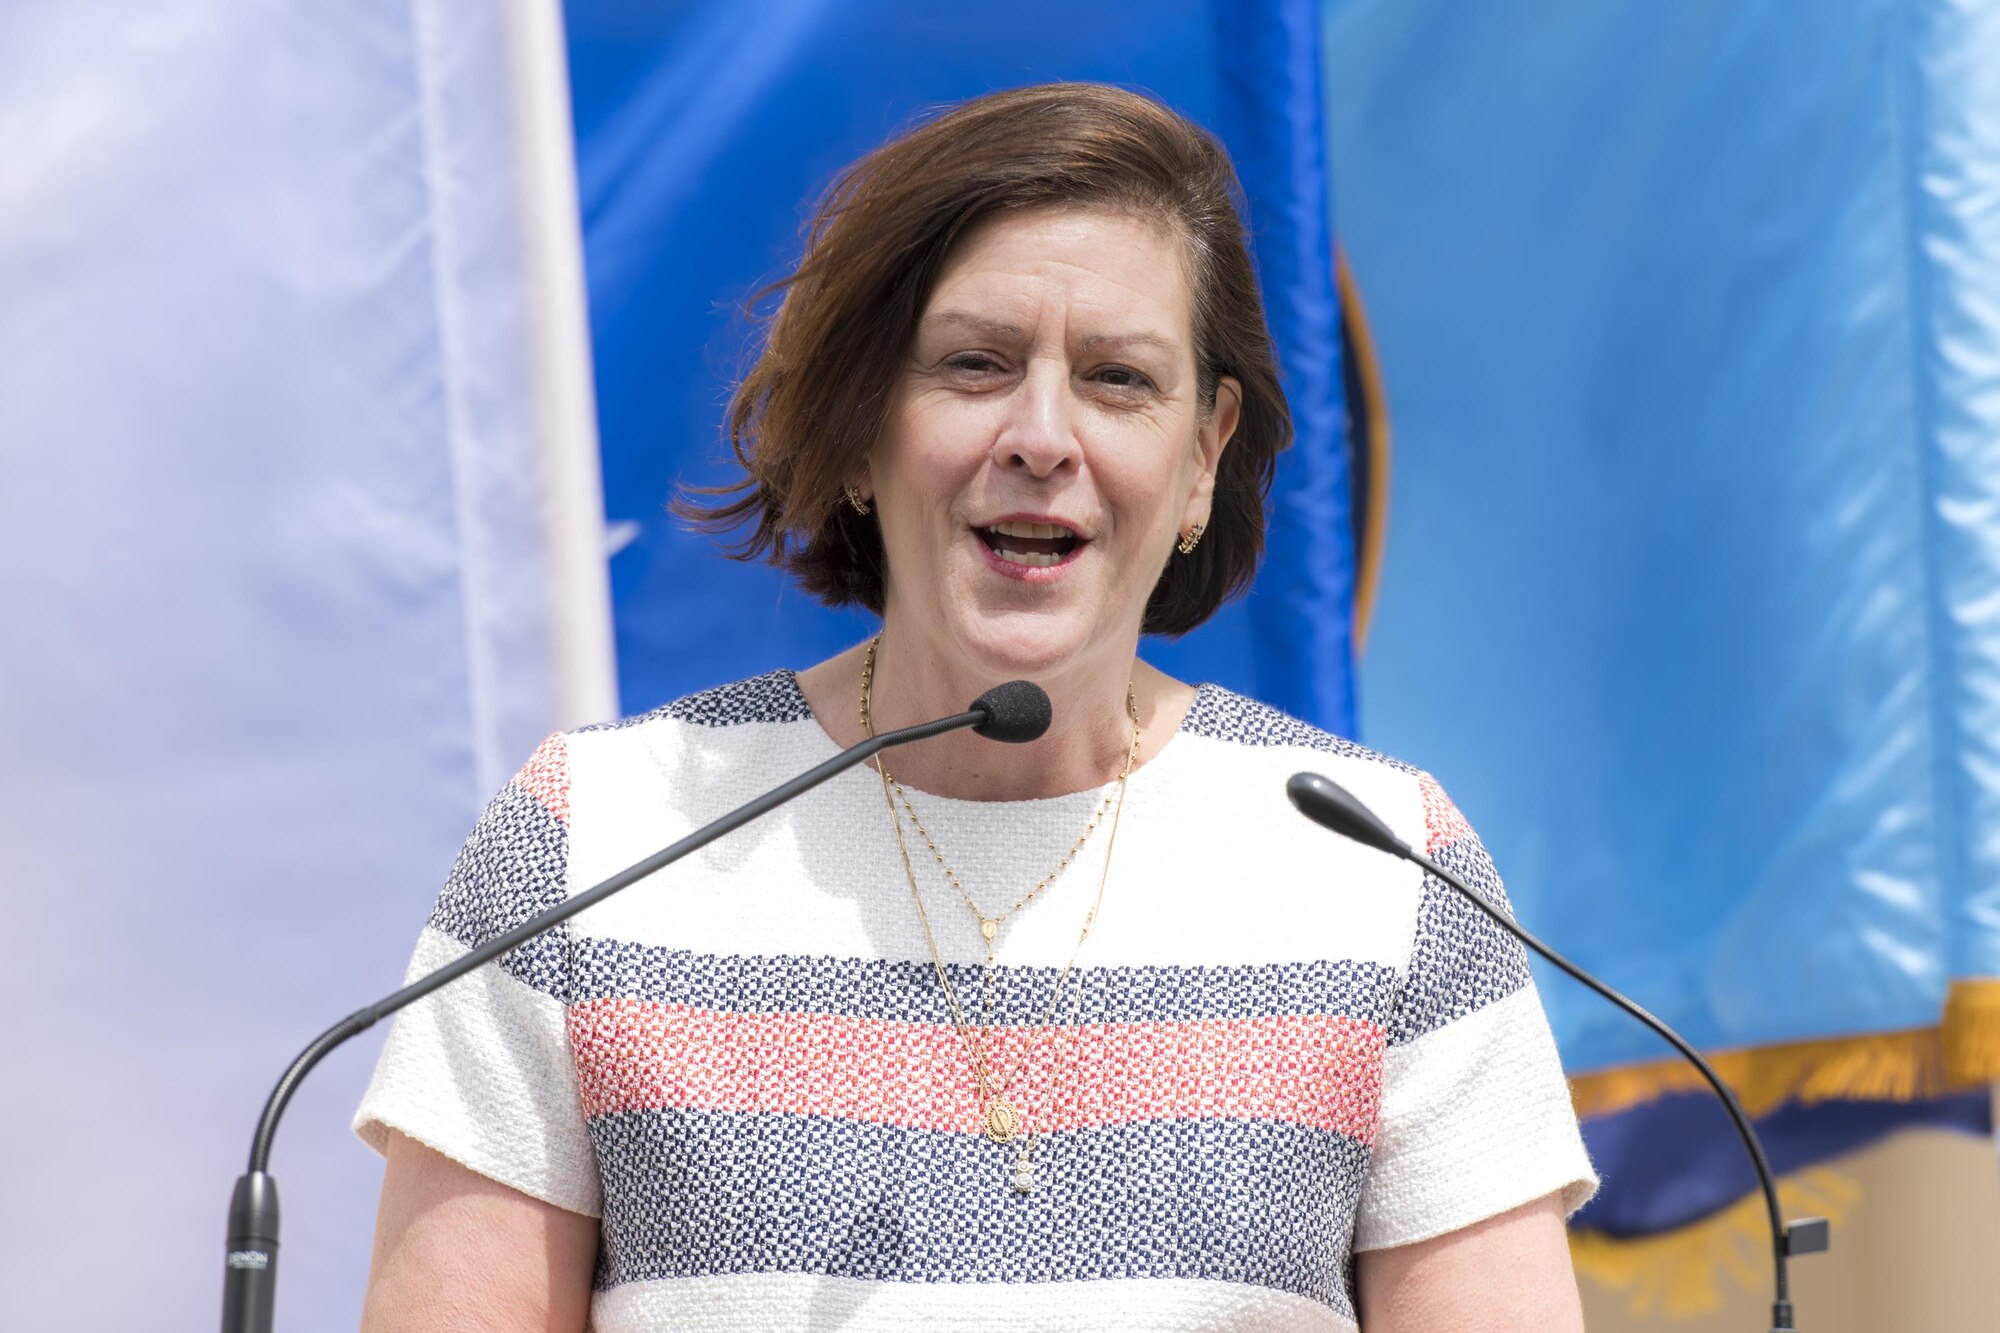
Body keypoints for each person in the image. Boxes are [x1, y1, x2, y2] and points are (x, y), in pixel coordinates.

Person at [355, 82, 1596, 1333]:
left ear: (1202, 458)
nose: (1041, 435)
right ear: (854, 432)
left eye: (1117, 379)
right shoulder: (592, 843)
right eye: (972, 365)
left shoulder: (1381, 864)